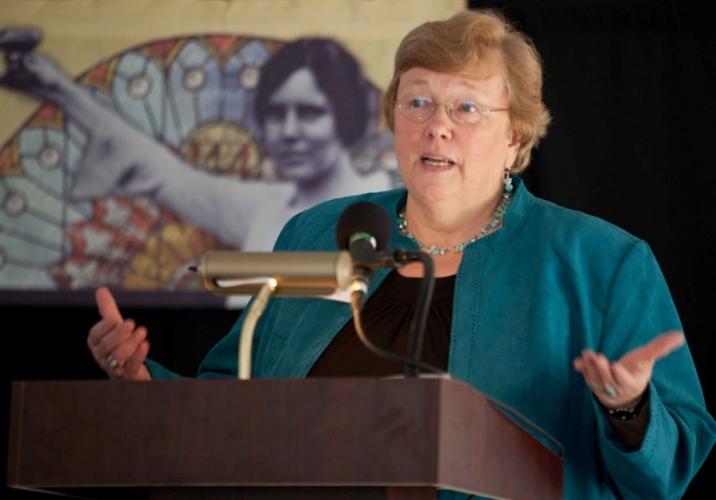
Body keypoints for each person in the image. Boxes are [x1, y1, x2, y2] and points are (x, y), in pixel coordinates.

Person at [85, 9, 715, 499]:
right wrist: (142, 382)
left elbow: (669, 472)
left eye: (466, 106)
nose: (437, 125)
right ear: (393, 119)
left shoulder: (601, 263)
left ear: (516, 135)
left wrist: (630, 410)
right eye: (417, 101)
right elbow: (239, 402)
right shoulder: (321, 233)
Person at [0, 34, 393, 252]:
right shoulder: (264, 208)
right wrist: (60, 90)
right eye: (276, 114)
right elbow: (157, 168)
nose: (288, 130)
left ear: (346, 117)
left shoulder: (391, 201)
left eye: (309, 113)